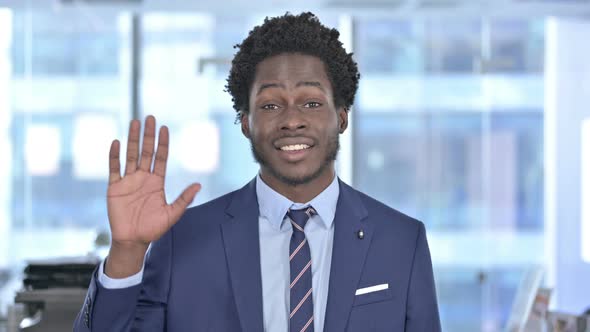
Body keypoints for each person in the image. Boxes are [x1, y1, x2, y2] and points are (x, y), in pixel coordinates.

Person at [73, 12, 441, 332]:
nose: (292, 120)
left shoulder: (401, 243)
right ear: (246, 123)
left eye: (311, 103)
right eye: (270, 105)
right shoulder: (180, 241)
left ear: (341, 116)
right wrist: (126, 252)